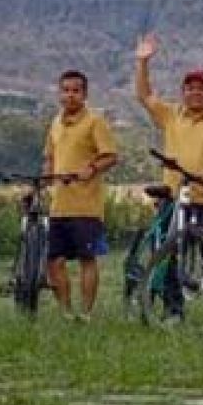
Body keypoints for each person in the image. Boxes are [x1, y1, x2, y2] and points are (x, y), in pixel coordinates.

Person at [134, 33, 203, 317]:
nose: (195, 92)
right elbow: (144, 96)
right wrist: (143, 61)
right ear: (183, 92)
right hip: (174, 198)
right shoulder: (172, 115)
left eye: (201, 88)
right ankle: (174, 311)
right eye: (190, 88)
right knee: (169, 256)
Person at [43, 70, 118, 322]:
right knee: (54, 261)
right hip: (59, 205)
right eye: (65, 90)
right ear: (59, 93)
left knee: (87, 259)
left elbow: (110, 156)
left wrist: (92, 169)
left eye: (76, 90)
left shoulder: (95, 122)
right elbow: (50, 158)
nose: (70, 95)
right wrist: (44, 183)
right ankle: (66, 312)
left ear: (84, 94)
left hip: (86, 205)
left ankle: (86, 313)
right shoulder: (55, 123)